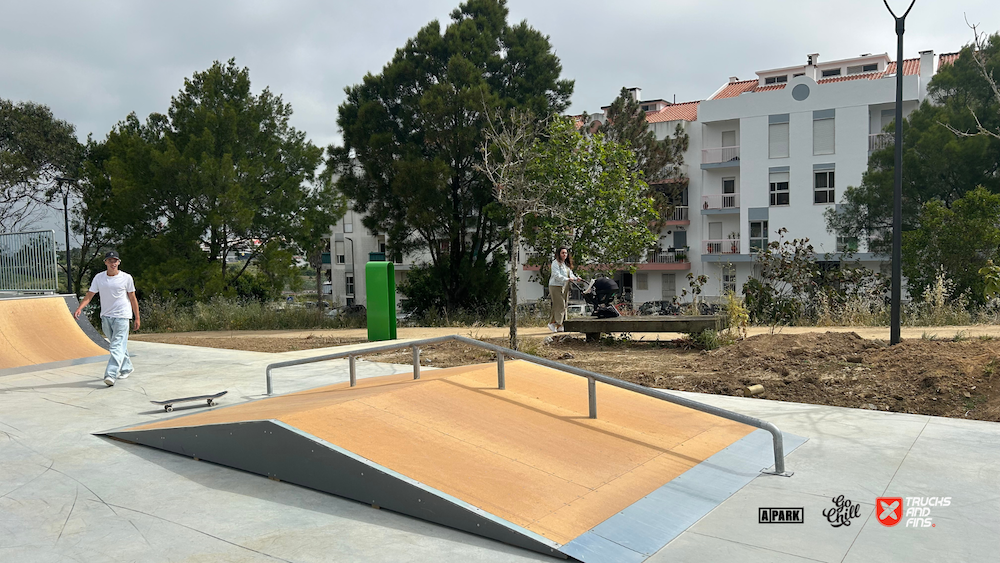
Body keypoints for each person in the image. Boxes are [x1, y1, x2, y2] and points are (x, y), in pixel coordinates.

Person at [74, 251, 140, 386]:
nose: (113, 263)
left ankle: (110, 374)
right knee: (117, 345)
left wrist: (137, 317)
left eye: (115, 261)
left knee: (116, 346)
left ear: (119, 262)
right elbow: (89, 295)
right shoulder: (99, 278)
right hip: (106, 316)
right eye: (110, 261)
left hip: (122, 316)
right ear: (105, 262)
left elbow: (133, 298)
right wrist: (80, 308)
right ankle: (127, 367)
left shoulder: (126, 278)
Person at [548, 246, 581, 332]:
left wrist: (576, 278)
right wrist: (567, 279)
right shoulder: (555, 263)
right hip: (555, 286)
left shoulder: (565, 265)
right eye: (562, 253)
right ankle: (555, 323)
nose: (564, 255)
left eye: (565, 253)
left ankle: (559, 325)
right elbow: (556, 275)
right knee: (560, 304)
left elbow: (571, 275)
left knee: (563, 305)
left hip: (565, 286)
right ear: (558, 254)